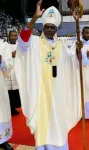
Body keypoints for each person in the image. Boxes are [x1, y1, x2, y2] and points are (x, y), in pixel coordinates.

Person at [15, 1, 84, 149]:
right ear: (43, 27)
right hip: (41, 93)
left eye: (52, 27)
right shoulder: (34, 43)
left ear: (56, 29)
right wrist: (34, 18)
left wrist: (78, 50)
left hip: (58, 92)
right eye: (46, 27)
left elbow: (73, 63)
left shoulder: (62, 46)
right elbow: (22, 41)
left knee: (58, 122)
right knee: (43, 123)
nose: (49, 30)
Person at [0, 23, 14, 149]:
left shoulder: (3, 46)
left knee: (0, 110)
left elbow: (10, 64)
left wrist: (2, 62)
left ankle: (2, 140)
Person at [4, 30, 22, 115]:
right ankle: (9, 108)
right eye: (11, 35)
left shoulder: (19, 45)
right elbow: (1, 56)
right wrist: (10, 55)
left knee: (16, 90)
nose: (13, 37)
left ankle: (14, 107)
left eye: (15, 36)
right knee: (9, 91)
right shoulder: (4, 46)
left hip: (17, 70)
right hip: (8, 71)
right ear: (8, 36)